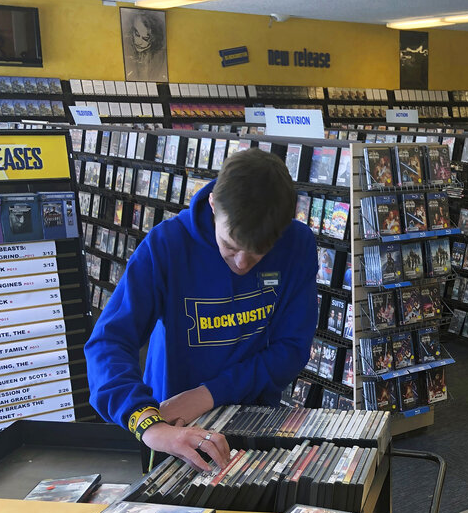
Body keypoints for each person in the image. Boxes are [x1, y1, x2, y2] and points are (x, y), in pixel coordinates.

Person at [85, 148, 318, 471]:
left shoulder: (298, 243)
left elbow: (292, 349)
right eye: (231, 247)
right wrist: (146, 422)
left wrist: (208, 394)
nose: (241, 264)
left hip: (253, 419)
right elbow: (108, 342)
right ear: (212, 205)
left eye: (258, 255)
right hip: (174, 425)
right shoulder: (166, 245)